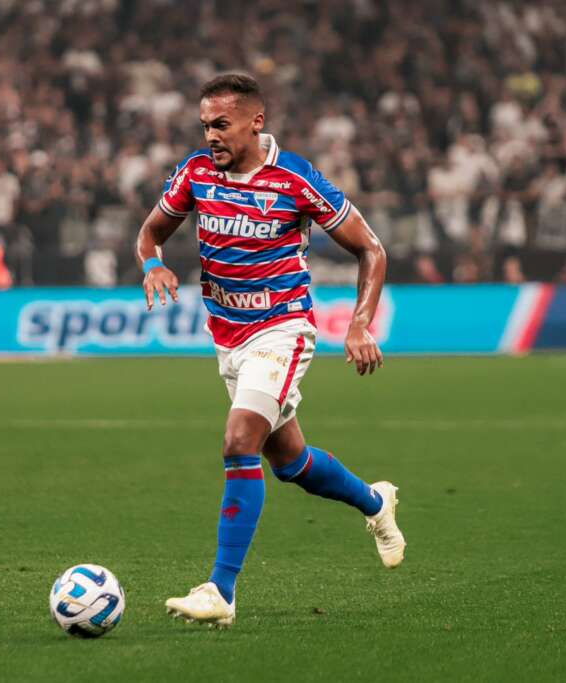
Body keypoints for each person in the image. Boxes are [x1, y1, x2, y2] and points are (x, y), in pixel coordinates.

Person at [134, 74, 405, 627]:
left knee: (239, 441)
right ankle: (376, 503)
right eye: (205, 125)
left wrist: (358, 325)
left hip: (282, 330)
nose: (211, 135)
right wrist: (153, 264)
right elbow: (150, 232)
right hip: (227, 337)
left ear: (256, 122)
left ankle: (221, 590)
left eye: (222, 124)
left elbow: (371, 249)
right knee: (289, 462)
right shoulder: (195, 172)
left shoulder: (294, 178)